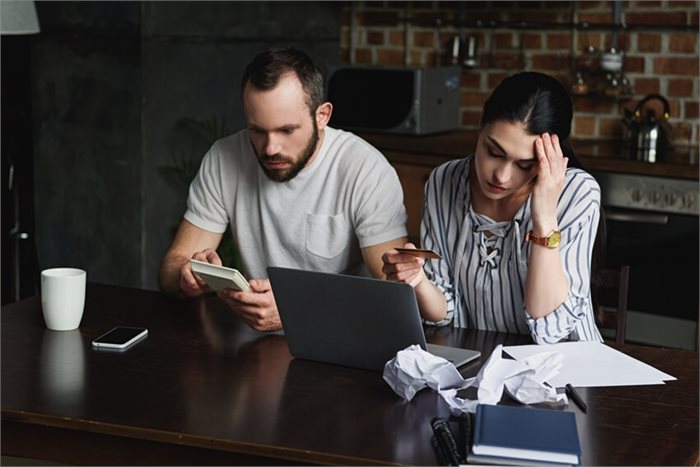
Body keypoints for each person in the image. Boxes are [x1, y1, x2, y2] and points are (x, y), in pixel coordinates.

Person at [159, 47, 408, 332]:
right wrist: (186, 275)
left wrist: (298, 308)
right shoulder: (223, 157)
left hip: (342, 335)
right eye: (257, 130)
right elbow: (170, 268)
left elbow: (394, 296)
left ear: (322, 115)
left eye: (286, 130)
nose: (270, 148)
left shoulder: (365, 169)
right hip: (256, 341)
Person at [382, 71, 603, 344]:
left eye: (525, 165)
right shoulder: (444, 181)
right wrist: (417, 281)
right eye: (494, 152)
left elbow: (552, 331)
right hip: (479, 366)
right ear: (481, 120)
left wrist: (544, 215)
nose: (501, 176)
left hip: (566, 372)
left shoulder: (577, 193)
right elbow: (444, 312)